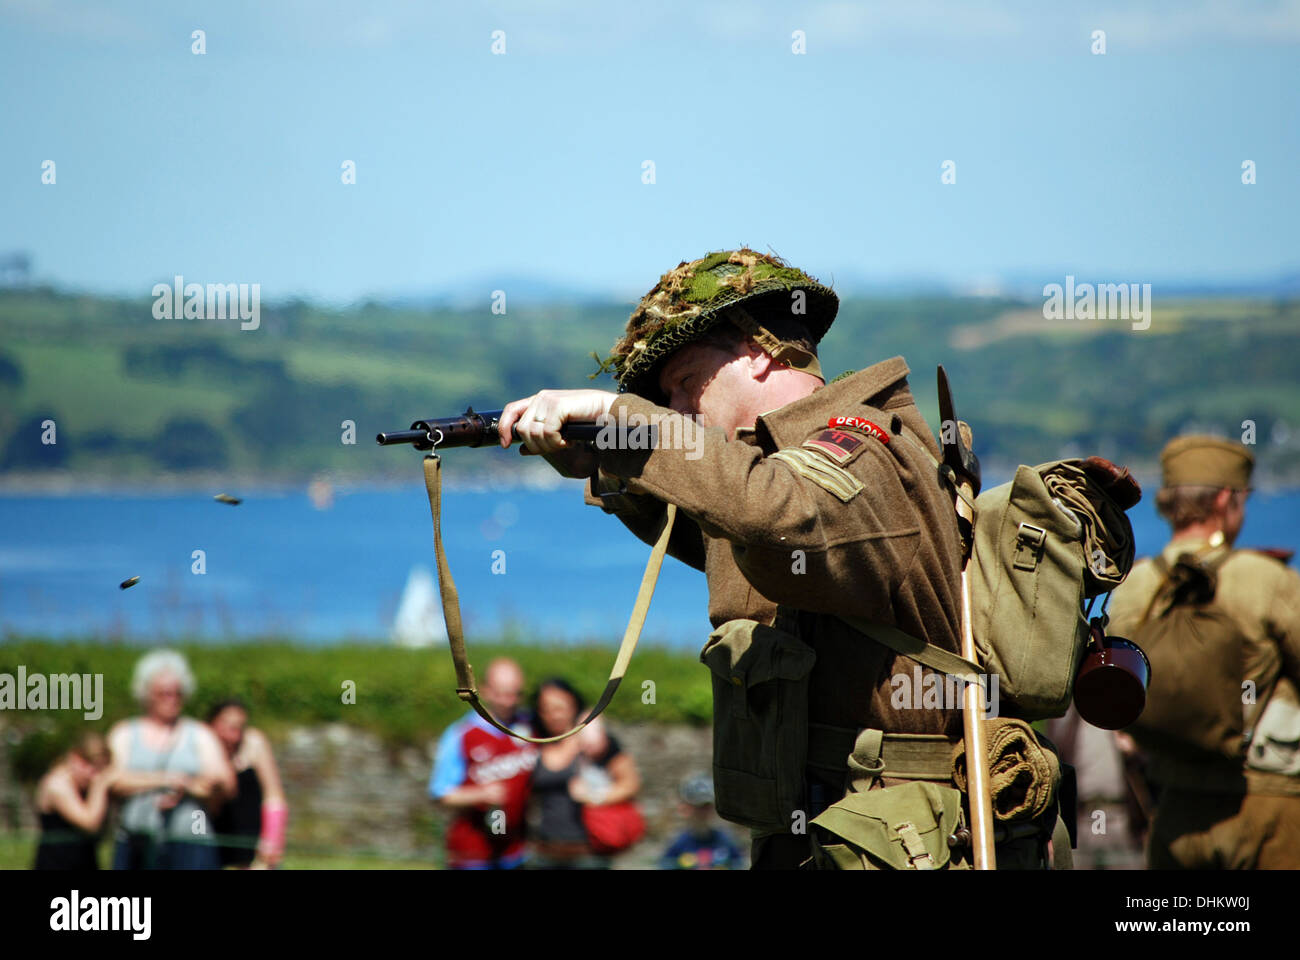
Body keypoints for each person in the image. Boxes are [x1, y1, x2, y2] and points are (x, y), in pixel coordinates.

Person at [497, 248, 1019, 869]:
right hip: (831, 837)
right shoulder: (775, 474)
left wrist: (624, 420)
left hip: (897, 843)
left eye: (687, 382)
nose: (681, 411)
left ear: (762, 349)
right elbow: (721, 534)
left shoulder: (861, 445)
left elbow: (778, 515)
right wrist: (605, 464)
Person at [1108, 435, 1300, 868]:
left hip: (1172, 804)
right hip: (1266, 799)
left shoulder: (1135, 585)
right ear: (1226, 501)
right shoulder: (1264, 577)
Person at [107, 650, 237, 870]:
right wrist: (166, 781)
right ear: (147, 694)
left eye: (177, 693)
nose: (172, 699)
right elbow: (112, 781)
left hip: (192, 838)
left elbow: (225, 782)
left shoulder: (200, 734)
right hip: (136, 840)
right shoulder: (124, 733)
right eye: (163, 693)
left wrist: (188, 788)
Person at [429, 657, 537, 869]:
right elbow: (440, 793)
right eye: (501, 693)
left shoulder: (530, 727)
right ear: (485, 690)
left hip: (515, 851)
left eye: (516, 694)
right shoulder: (461, 734)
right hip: (472, 854)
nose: (509, 701)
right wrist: (481, 794)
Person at [527, 678, 641, 869]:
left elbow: (631, 784)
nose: (553, 715)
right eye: (546, 709)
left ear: (574, 706)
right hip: (545, 852)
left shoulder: (594, 743)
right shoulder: (533, 743)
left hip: (588, 855)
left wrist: (595, 796)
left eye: (560, 708)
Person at [206, 698, 289, 869]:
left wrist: (272, 839)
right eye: (227, 726)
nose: (233, 736)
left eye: (238, 728)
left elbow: (274, 795)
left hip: (250, 837)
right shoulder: (200, 744)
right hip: (210, 831)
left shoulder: (254, 743)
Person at [32, 732, 114, 870]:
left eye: (100, 769)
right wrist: (101, 785)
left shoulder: (88, 784)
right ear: (74, 757)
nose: (93, 774)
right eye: (90, 766)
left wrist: (161, 780)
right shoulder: (57, 783)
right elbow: (90, 823)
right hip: (55, 864)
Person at [659, 773, 746, 870]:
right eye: (699, 807)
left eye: (707, 807)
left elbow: (739, 864)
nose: (704, 813)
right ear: (688, 808)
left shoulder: (726, 841)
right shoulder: (678, 843)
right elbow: (666, 864)